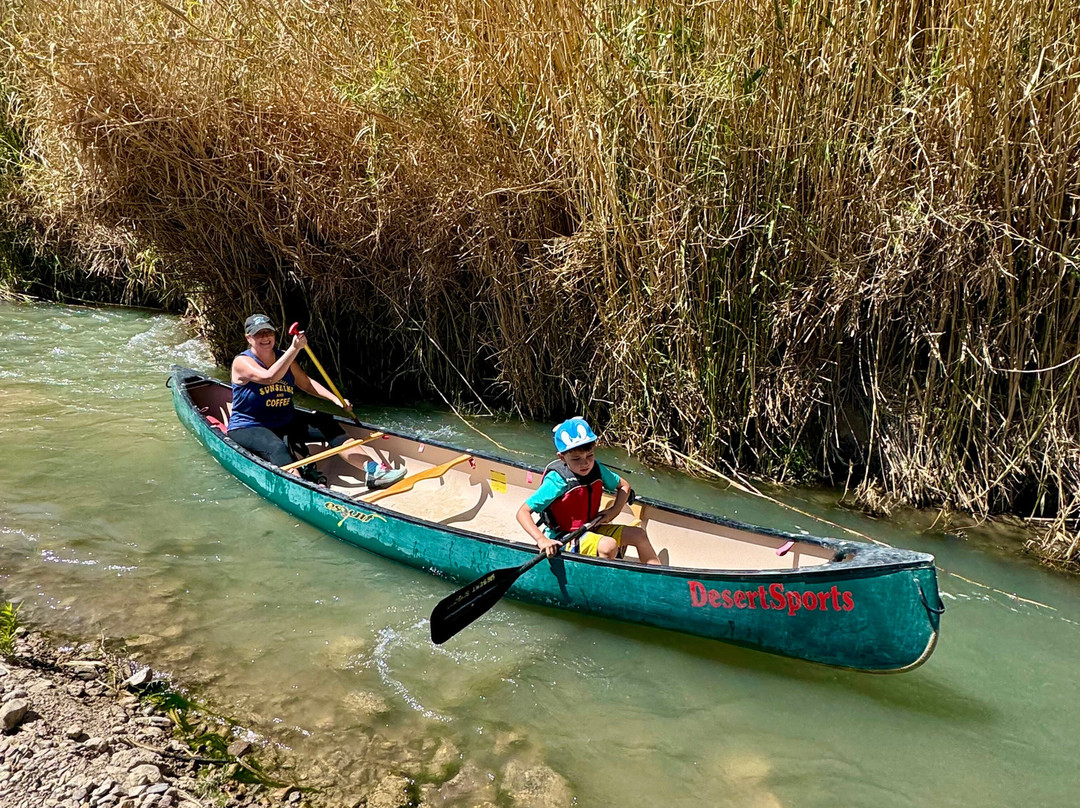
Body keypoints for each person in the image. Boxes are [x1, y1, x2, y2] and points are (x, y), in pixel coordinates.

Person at [226, 313, 405, 488]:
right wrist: (294, 348)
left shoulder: (284, 358)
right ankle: (300, 488)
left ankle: (374, 472)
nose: (265, 337)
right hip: (249, 425)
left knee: (327, 424)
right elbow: (269, 377)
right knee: (277, 448)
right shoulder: (242, 362)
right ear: (249, 338)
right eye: (259, 334)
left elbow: (306, 383)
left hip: (284, 420)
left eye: (268, 332)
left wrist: (336, 399)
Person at [516, 417, 662, 565]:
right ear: (562, 457)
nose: (585, 463)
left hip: (591, 526)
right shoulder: (557, 481)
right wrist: (542, 540)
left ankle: (659, 578)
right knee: (608, 546)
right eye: (576, 459)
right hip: (564, 537)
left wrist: (614, 511)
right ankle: (604, 581)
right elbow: (523, 512)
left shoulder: (597, 469)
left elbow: (624, 486)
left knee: (639, 534)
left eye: (590, 456)